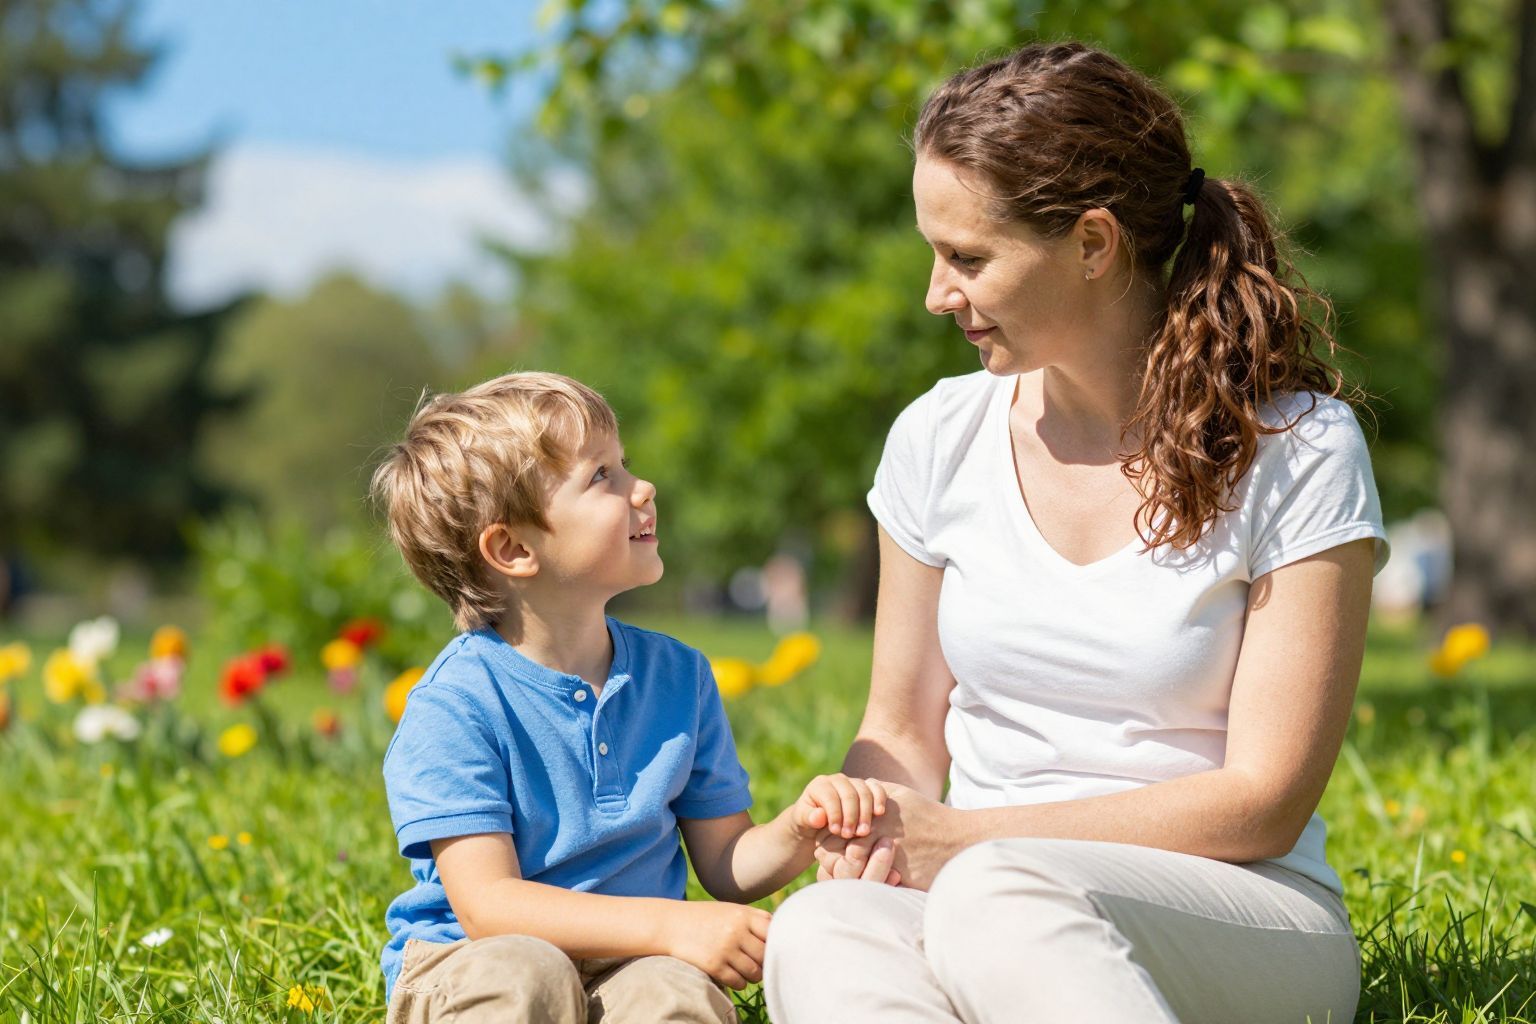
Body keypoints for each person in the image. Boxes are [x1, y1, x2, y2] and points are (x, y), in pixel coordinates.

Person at [763, 41, 1389, 1024]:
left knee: (997, 895)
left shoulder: (1298, 446)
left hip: (1242, 908)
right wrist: (865, 820)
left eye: (968, 257)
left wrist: (967, 843)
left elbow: (1266, 799)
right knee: (822, 927)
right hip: (979, 889)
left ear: (1093, 245)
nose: (936, 293)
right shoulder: (938, 436)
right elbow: (899, 730)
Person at [369, 371, 895, 1023]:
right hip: (473, 961)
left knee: (675, 995)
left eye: (626, 466)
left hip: (630, 964)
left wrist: (799, 826)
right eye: (602, 477)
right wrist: (674, 927)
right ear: (512, 548)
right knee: (528, 974)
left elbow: (726, 862)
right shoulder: (455, 705)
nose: (642, 489)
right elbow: (491, 906)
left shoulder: (680, 677)